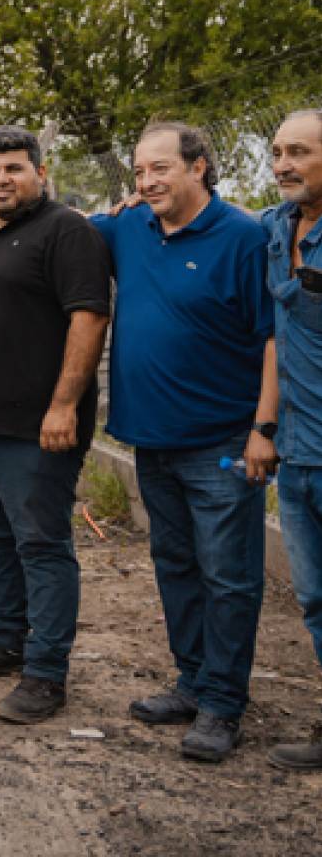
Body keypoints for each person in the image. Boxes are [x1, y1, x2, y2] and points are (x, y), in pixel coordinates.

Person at [88, 122, 272, 762]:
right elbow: (58, 230)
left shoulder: (245, 238)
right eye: (139, 172)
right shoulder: (129, 229)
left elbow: (273, 339)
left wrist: (262, 429)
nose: (146, 182)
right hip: (150, 440)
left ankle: (223, 704)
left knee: (230, 576)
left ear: (199, 167)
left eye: (160, 168)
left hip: (221, 442)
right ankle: (192, 682)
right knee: (176, 567)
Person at [0, 126, 111, 725]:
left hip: (35, 429)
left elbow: (88, 319)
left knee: (41, 545)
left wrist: (64, 404)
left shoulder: (68, 231)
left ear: (40, 172)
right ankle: (6, 637)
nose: (2, 179)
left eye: (14, 168)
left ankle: (45, 672)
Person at [257, 109, 322, 771]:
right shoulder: (276, 228)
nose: (283, 163)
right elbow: (277, 333)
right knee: (314, 600)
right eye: (278, 151)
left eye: (299, 151)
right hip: (300, 454)